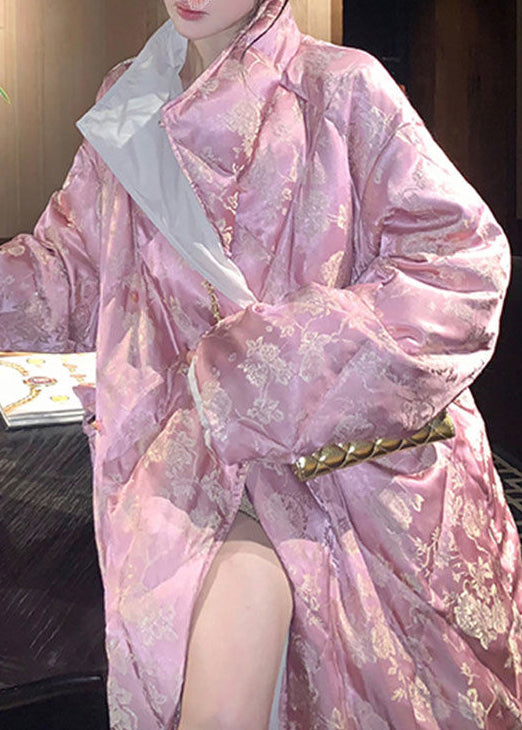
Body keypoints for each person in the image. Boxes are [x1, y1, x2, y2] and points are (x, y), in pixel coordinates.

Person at [1, 0, 521, 727]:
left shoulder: (340, 88)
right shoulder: (133, 99)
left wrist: (263, 368)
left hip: (344, 472)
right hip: (189, 455)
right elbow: (71, 273)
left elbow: (461, 268)